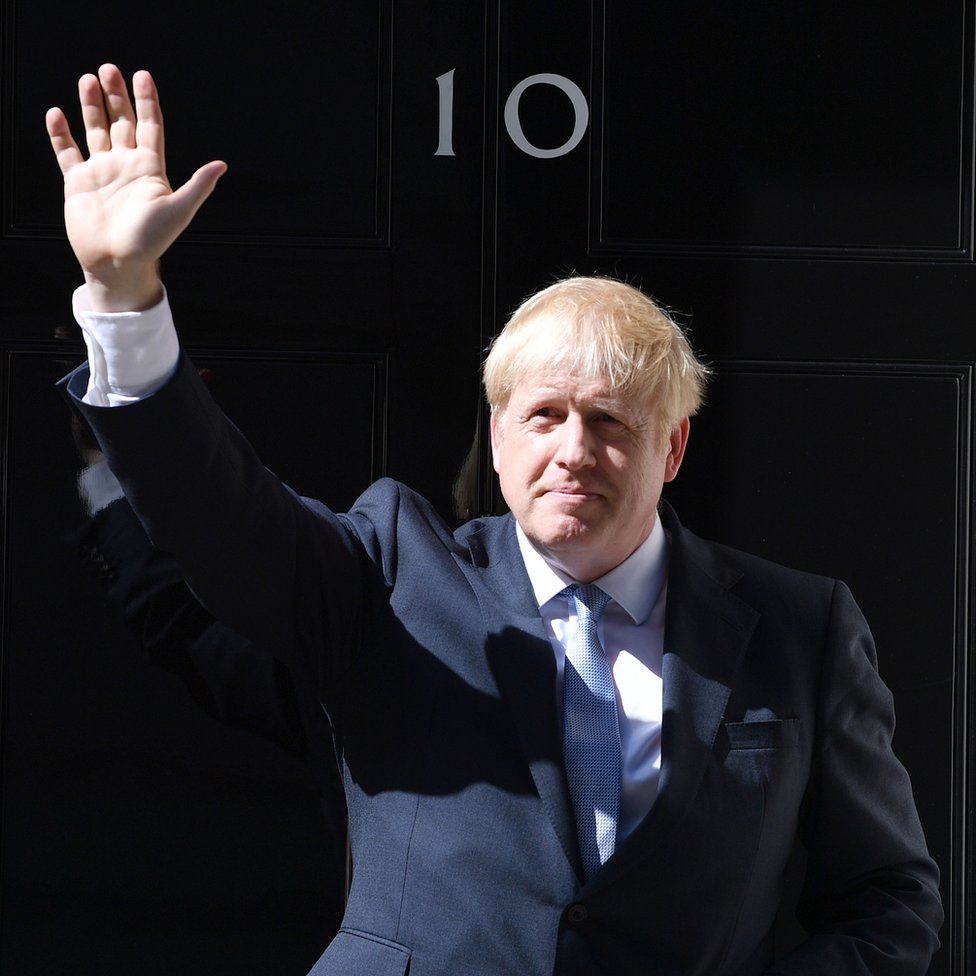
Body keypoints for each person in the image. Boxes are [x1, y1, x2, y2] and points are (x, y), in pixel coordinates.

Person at [49, 65, 943, 976]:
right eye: (544, 416)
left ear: (672, 450)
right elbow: (222, 520)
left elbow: (888, 901)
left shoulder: (802, 629)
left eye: (611, 422)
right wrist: (125, 297)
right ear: (498, 434)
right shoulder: (393, 571)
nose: (572, 451)